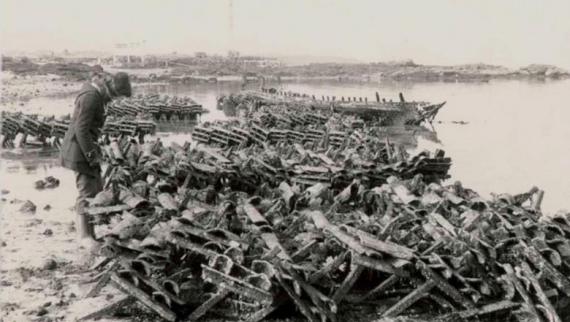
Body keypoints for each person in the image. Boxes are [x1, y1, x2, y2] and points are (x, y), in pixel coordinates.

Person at [60, 67, 131, 250]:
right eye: (115, 96)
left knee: (94, 189)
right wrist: (92, 156)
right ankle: (84, 237)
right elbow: (81, 130)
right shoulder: (91, 97)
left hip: (83, 148)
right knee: (86, 193)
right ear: (110, 88)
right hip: (79, 151)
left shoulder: (94, 93)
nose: (113, 100)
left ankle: (89, 234)